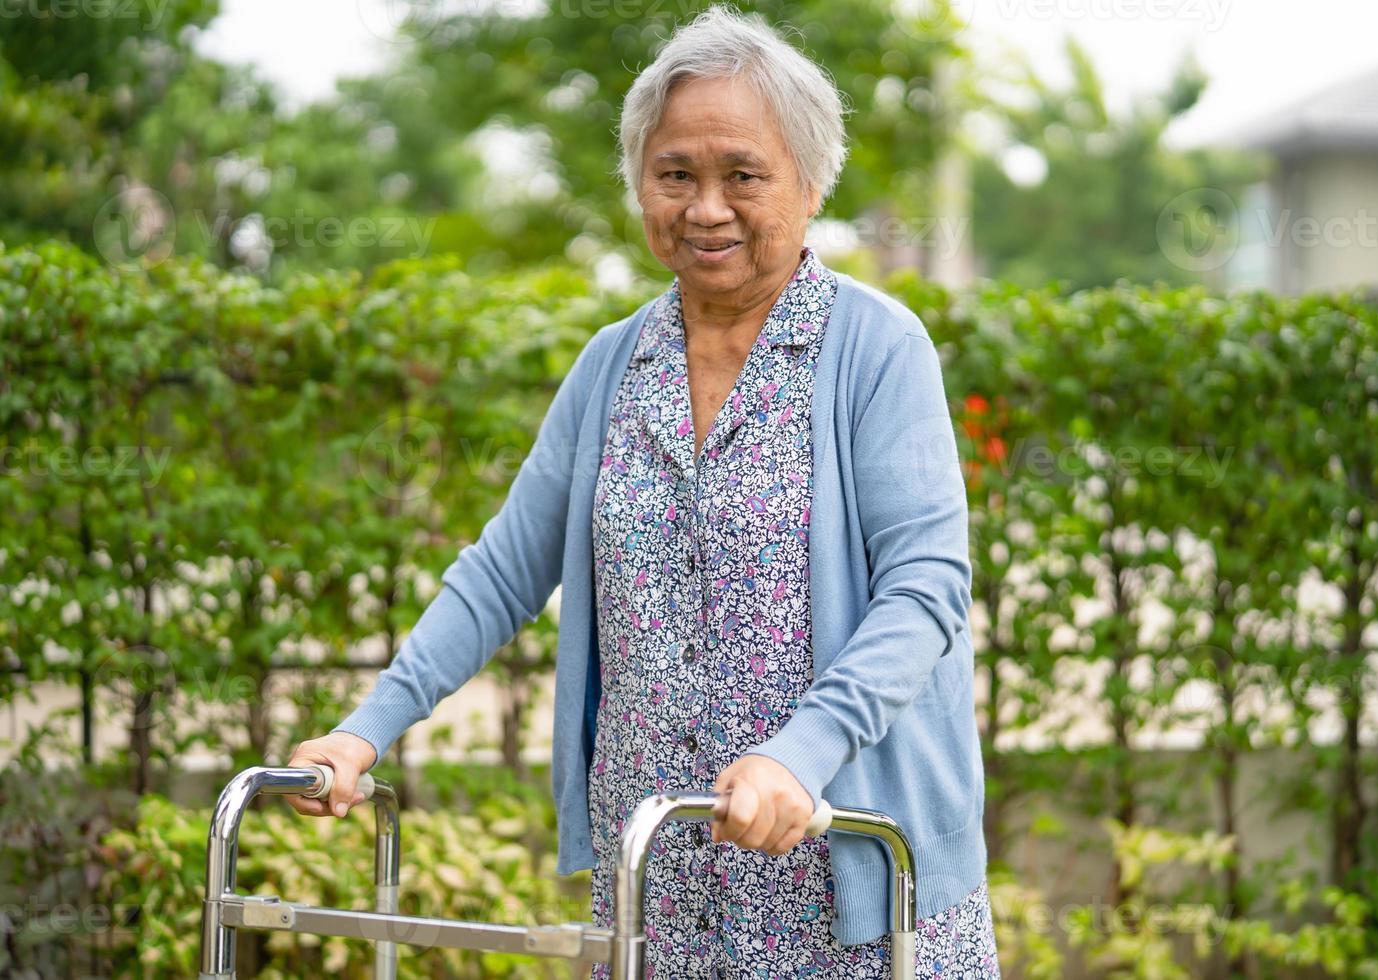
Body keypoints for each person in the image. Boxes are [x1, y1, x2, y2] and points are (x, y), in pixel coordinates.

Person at [287, 5, 999, 976]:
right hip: (659, 872)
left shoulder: (875, 350)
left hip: (840, 871)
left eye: (742, 174)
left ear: (811, 180)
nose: (706, 207)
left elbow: (924, 592)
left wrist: (803, 748)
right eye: (676, 175)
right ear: (639, 183)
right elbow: (502, 571)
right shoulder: (613, 366)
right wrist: (363, 732)